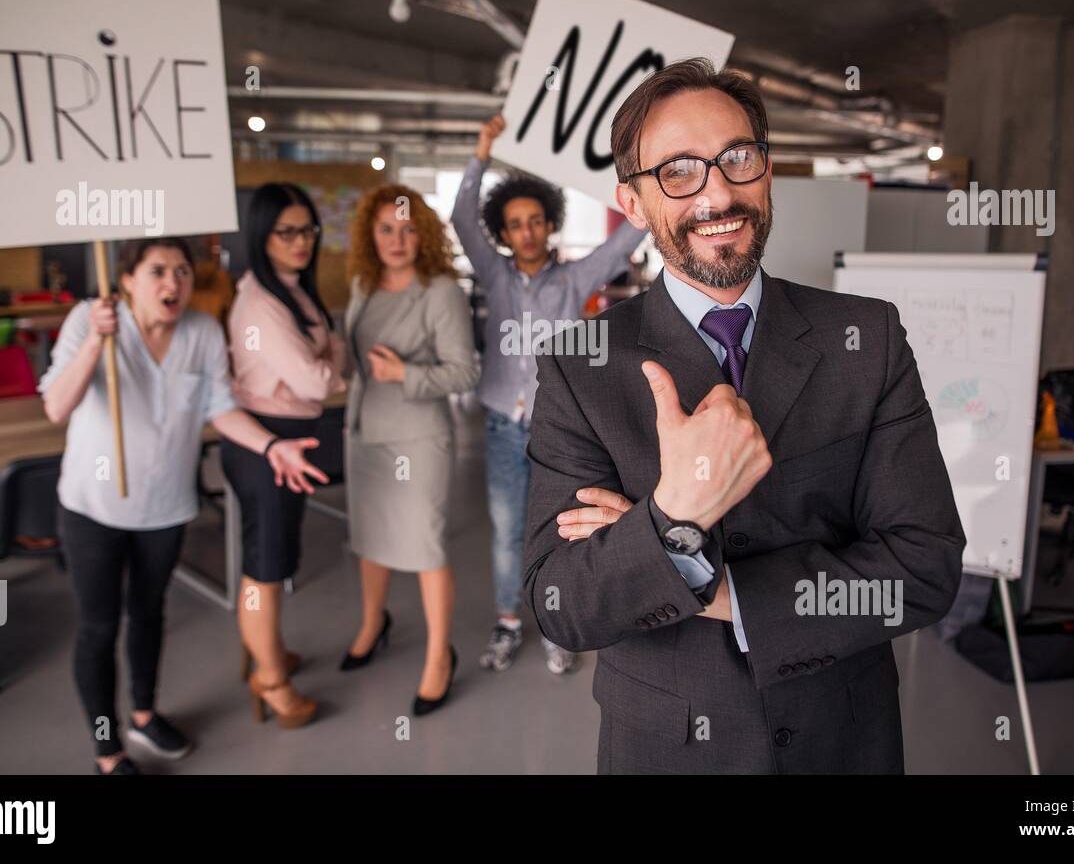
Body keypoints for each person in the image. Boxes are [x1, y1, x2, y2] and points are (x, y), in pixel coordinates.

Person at [523, 58, 965, 773]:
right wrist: (674, 512)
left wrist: (702, 579)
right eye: (677, 171)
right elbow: (560, 603)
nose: (718, 193)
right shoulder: (580, 367)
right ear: (632, 205)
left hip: (843, 739)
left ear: (767, 170)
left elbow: (924, 567)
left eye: (738, 158)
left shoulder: (868, 338)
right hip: (666, 748)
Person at [41, 237, 327, 774]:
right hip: (93, 506)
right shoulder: (90, 318)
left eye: (182, 272)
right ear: (126, 280)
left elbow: (221, 407)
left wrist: (271, 444)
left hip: (166, 508)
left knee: (149, 615)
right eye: (156, 271)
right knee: (99, 627)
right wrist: (93, 344)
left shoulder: (198, 332)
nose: (172, 283)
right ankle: (108, 749)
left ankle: (145, 715)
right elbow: (57, 406)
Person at [452, 116, 648, 674]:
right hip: (499, 424)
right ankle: (510, 622)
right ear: (504, 232)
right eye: (516, 224)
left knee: (560, 530)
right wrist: (482, 151)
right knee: (507, 527)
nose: (528, 231)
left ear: (549, 224)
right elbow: (462, 219)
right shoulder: (493, 275)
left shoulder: (575, 280)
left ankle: (556, 624)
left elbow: (627, 239)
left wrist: (641, 178)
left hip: (559, 432)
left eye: (536, 220)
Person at [340, 185, 480, 714]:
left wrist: (405, 373)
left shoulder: (440, 290)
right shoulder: (363, 283)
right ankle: (374, 623)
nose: (396, 240)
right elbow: (354, 355)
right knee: (369, 539)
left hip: (417, 438)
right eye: (385, 229)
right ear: (369, 234)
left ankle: (438, 654)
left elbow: (464, 371)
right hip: (362, 430)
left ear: (422, 234)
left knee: (425, 547)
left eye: (406, 228)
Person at [222, 183, 345, 730]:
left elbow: (320, 364)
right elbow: (318, 378)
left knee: (276, 559)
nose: (301, 242)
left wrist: (327, 353)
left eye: (307, 230)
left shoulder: (291, 289)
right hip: (266, 442)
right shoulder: (261, 303)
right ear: (262, 237)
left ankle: (265, 651)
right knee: (264, 568)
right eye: (286, 232)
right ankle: (270, 679)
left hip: (289, 436)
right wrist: (333, 353)